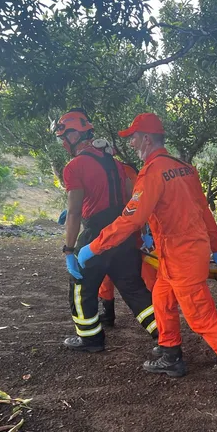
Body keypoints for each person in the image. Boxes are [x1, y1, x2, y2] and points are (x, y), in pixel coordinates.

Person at [77, 113, 217, 399]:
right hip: (179, 252)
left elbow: (131, 219)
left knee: (201, 316)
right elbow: (203, 209)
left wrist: (95, 246)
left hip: (182, 254)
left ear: (147, 139)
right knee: (161, 299)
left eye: (135, 137)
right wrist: (215, 245)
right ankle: (170, 354)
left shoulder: (153, 172)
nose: (132, 143)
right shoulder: (183, 168)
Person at [55, 109, 156, 352]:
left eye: (63, 137)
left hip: (95, 235)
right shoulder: (116, 164)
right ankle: (164, 334)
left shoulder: (74, 167)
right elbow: (128, 199)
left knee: (82, 287)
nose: (62, 143)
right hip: (122, 233)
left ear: (72, 136)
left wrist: (69, 249)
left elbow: (76, 212)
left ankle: (90, 339)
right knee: (133, 288)